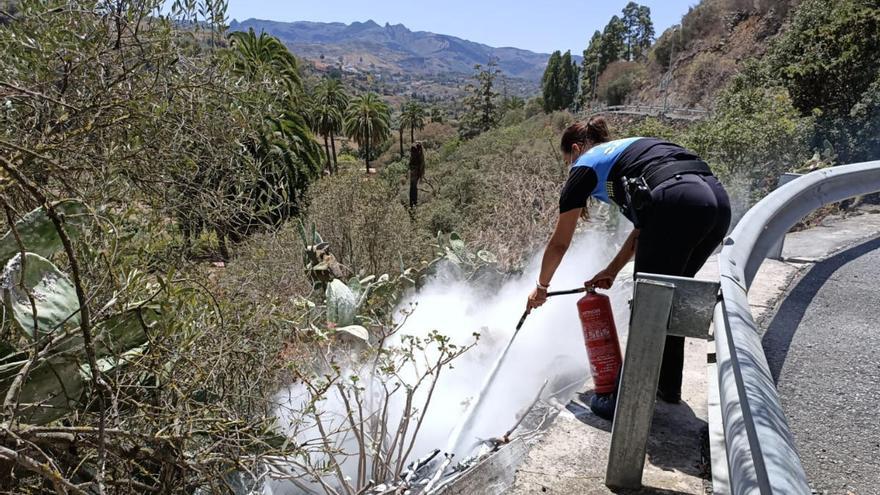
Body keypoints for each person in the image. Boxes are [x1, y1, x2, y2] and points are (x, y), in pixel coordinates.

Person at [526, 116, 731, 420]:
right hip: (714, 202)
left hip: (677, 203)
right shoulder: (627, 152)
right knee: (669, 298)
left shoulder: (584, 165)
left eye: (567, 160)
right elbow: (643, 230)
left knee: (649, 303)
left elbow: (559, 243)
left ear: (576, 148)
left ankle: (627, 400)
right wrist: (611, 269)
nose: (569, 167)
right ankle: (667, 387)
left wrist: (541, 288)